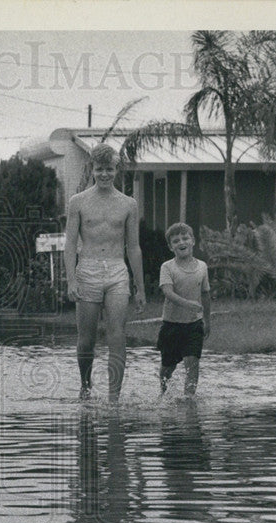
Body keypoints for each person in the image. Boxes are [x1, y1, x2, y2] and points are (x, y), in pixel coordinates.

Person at [63, 143, 146, 403]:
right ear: (92, 169)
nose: (105, 175)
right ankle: (85, 386)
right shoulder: (78, 202)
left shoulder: (128, 204)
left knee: (117, 334)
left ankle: (114, 397)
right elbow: (69, 244)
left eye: (109, 169)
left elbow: (133, 247)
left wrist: (140, 287)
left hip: (117, 271)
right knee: (86, 340)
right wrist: (71, 279)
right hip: (87, 268)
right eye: (100, 169)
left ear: (116, 169)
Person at [157, 222, 210, 397]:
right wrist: (188, 304)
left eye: (185, 238)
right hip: (171, 325)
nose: (181, 242)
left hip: (193, 325)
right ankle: (163, 393)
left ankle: (189, 400)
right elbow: (168, 292)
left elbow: (205, 294)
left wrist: (207, 321)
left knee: (192, 363)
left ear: (193, 241)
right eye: (176, 240)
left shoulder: (202, 267)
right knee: (167, 368)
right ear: (170, 246)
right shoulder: (167, 267)